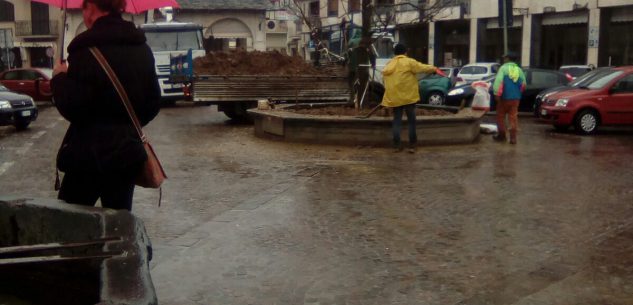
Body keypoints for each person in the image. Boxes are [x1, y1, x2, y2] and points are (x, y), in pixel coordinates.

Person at [51, 0, 160, 210]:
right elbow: (152, 103)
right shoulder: (142, 49)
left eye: (84, 7)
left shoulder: (83, 51)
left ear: (91, 8)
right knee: (119, 226)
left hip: (86, 158)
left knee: (70, 224)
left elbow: (72, 107)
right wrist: (125, 126)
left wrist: (58, 79)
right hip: (126, 155)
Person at [381, 43, 437, 153]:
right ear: (405, 52)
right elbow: (422, 67)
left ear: (395, 53)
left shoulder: (389, 64)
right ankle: (412, 145)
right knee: (411, 120)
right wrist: (433, 68)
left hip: (395, 98)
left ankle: (397, 145)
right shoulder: (409, 62)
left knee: (397, 120)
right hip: (408, 97)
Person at [492, 52, 526, 144]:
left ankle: (502, 136)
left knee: (500, 117)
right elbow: (523, 85)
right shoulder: (519, 70)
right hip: (515, 99)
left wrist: (496, 94)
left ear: (508, 59)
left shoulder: (503, 68)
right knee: (513, 118)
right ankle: (513, 138)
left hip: (504, 98)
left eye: (505, 58)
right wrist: (517, 93)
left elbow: (498, 82)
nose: (504, 59)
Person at [345, 30, 376, 105]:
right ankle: (362, 101)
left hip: (352, 66)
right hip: (362, 67)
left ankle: (352, 99)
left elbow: (347, 54)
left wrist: (347, 62)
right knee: (363, 84)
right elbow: (372, 54)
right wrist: (373, 64)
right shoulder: (366, 43)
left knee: (351, 82)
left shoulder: (351, 42)